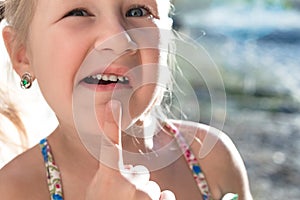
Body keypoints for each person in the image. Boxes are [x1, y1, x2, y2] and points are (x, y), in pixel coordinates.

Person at [0, 0, 252, 199]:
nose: (119, 39)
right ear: (22, 54)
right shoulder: (12, 191)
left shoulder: (212, 159)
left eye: (137, 11)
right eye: (78, 12)